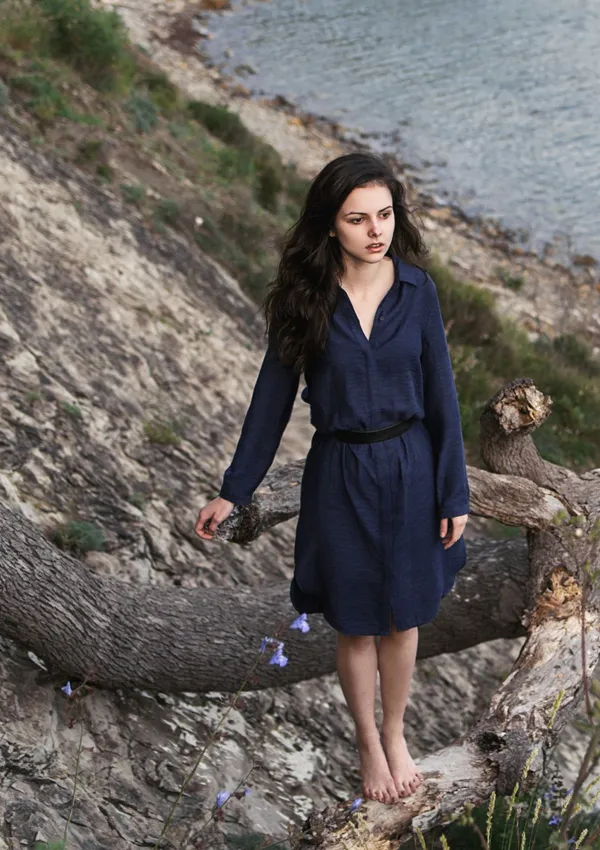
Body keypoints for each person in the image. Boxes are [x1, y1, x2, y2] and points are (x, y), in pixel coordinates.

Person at [193, 152, 471, 805]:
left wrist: (452, 487)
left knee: (404, 620)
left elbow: (443, 396)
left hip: (410, 466)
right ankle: (368, 745)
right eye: (357, 219)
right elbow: (271, 400)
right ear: (329, 226)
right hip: (340, 472)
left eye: (384, 215)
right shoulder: (304, 300)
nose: (376, 230)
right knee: (356, 623)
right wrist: (235, 489)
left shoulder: (417, 291)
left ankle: (396, 733)